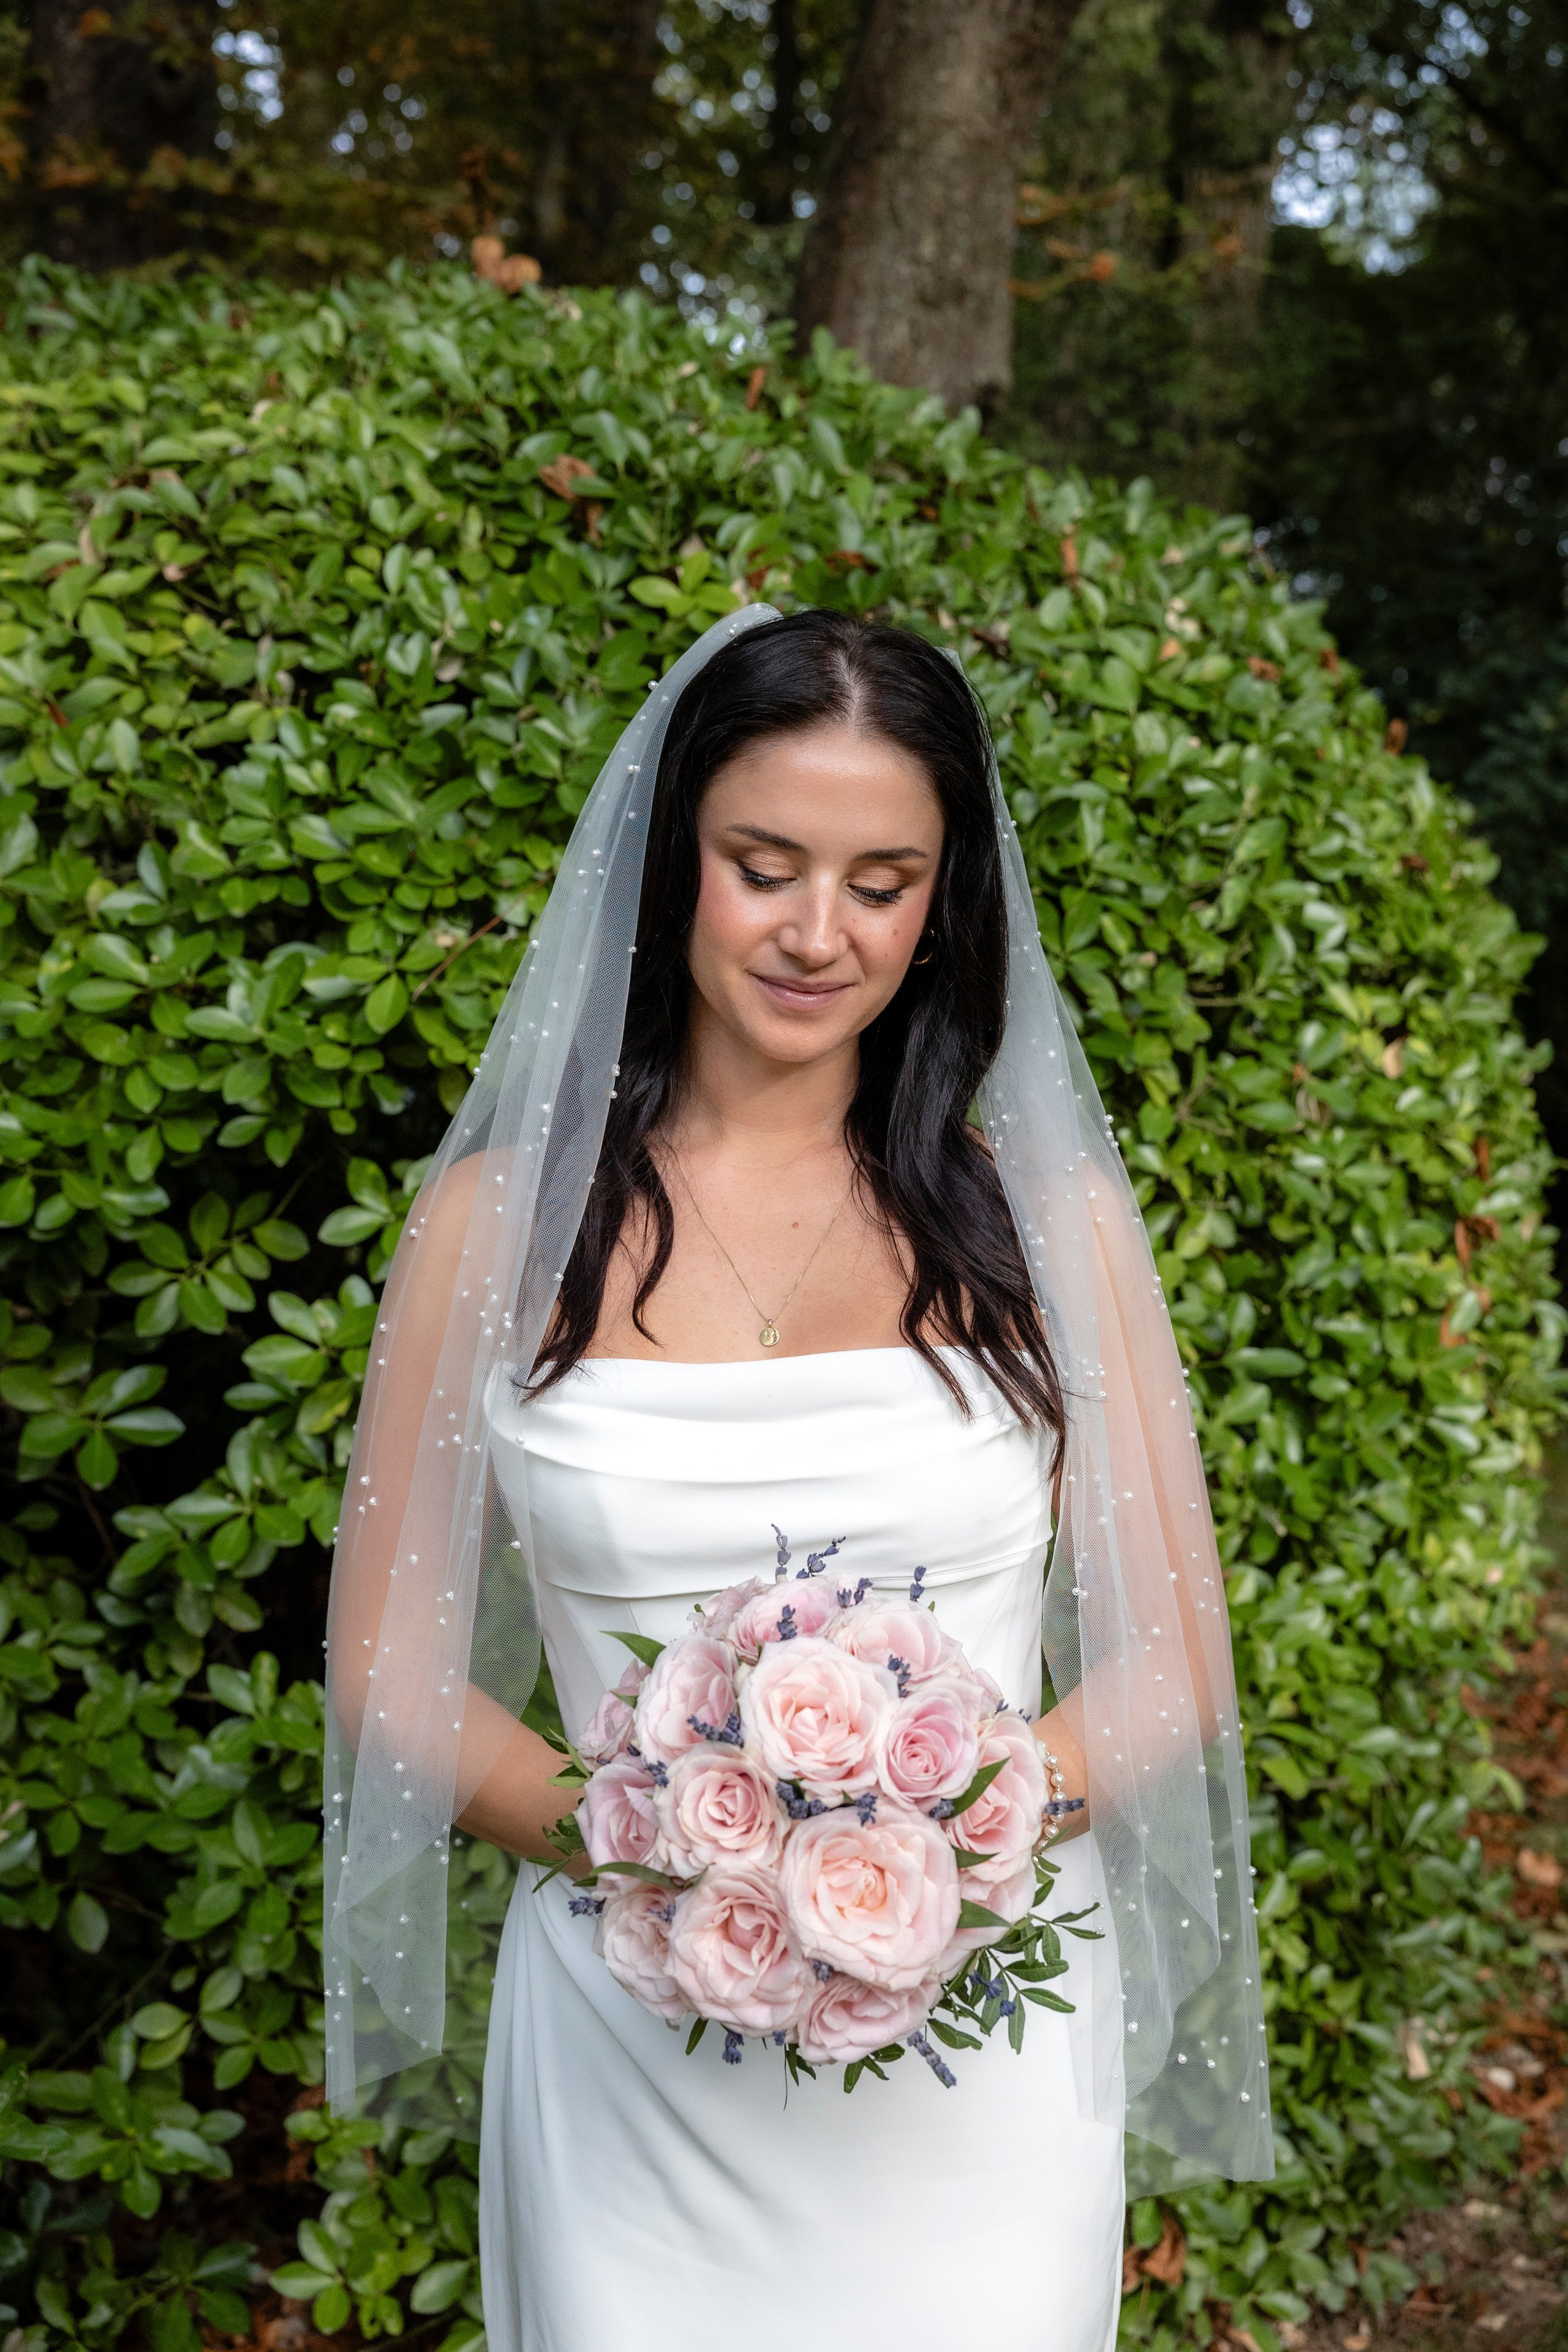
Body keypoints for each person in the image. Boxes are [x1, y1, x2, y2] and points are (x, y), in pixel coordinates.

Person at [323, 608, 1271, 2352]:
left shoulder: (1049, 1229)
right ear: (674, 855)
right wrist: (680, 1866)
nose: (819, 933)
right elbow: (384, 1662)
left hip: (974, 2061)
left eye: (884, 880)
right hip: (629, 2047)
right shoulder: (495, 1228)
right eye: (765, 865)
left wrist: (950, 1847)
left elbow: (1177, 1661)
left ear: (941, 909)